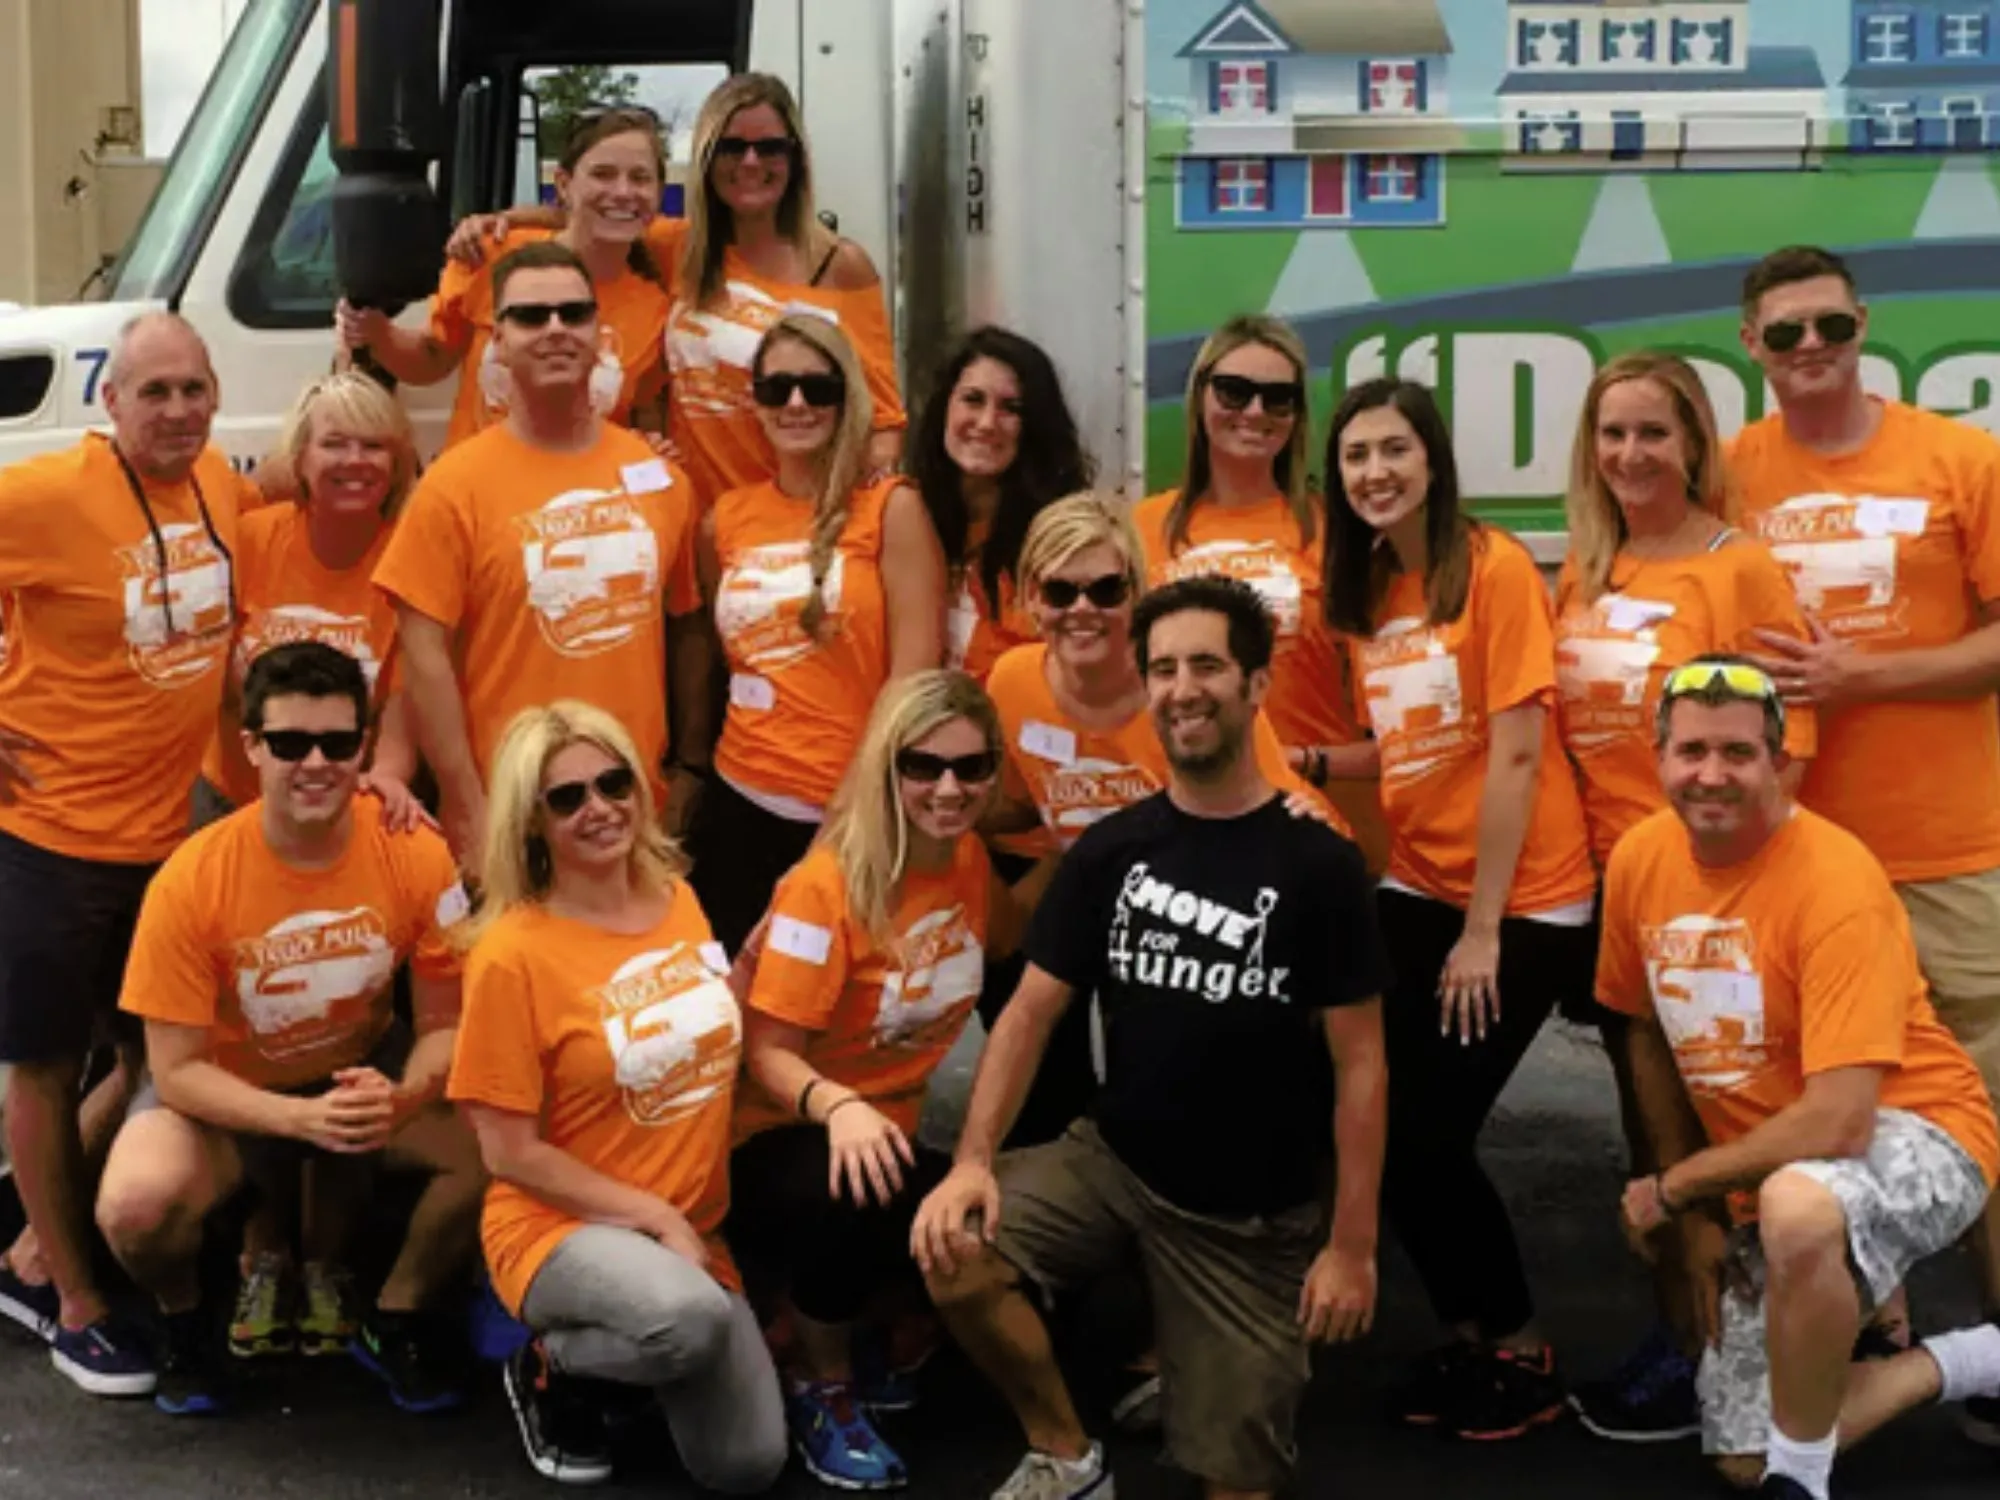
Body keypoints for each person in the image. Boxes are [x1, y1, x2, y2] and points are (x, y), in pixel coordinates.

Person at [913, 575, 1389, 1500]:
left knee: (1237, 1483)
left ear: (1256, 686)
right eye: (1163, 668)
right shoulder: (1112, 850)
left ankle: (1197, 1362)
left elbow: (1362, 1064)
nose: (1183, 688)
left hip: (1250, 1223)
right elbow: (1028, 1013)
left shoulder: (1316, 863)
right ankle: (1064, 1451)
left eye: (1208, 664)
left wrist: (1354, 1248)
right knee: (953, 1249)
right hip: (1115, 1165)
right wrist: (972, 1160)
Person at [1600, 654, 2000, 1500]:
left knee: (1800, 1204)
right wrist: (1702, 1213)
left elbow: (1841, 1124)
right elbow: (1644, 1029)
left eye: (1739, 754)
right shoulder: (1639, 860)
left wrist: (1672, 1189)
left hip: (1926, 1132)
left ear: (1779, 762)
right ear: (1659, 756)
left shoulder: (1836, 878)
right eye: (1692, 751)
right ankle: (1972, 1360)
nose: (1712, 775)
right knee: (1738, 1456)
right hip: (1772, 1170)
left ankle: (1802, 1484)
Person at [1731, 245, 2000, 1440]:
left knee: (1986, 1111)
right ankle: (1852, 1342)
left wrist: (1861, 673)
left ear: (1860, 326)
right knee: (1809, 1108)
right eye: (1781, 333)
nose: (1807, 349)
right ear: (1749, 346)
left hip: (1950, 848)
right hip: (1792, 857)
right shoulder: (1730, 470)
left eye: (1826, 325)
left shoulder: (1960, 458)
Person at [92, 642, 482, 1415]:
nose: (316, 762)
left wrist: (401, 1098)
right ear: (251, 748)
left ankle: (394, 1314)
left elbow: (446, 1021)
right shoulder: (191, 879)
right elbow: (175, 1072)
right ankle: (186, 1321)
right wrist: (298, 1120)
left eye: (338, 743)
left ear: (365, 746)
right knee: (134, 1206)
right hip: (228, 1095)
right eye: (289, 743)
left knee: (502, 1145)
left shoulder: (417, 852)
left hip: (356, 1072)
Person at [1324, 378, 1597, 1440]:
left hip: (1520, 901)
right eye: (1354, 457)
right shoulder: (1375, 596)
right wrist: (1297, 754)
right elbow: (1402, 750)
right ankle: (1469, 1331)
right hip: (1422, 884)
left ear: (1431, 459)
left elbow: (1517, 752)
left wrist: (1482, 928)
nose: (1375, 472)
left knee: (1426, 1132)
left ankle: (1519, 1343)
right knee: (1365, 1108)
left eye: (1393, 449)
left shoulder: (1486, 572)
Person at [1554, 351, 1818, 1442]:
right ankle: (1686, 1343)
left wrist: (1738, 891)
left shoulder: (1736, 567)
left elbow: (1790, 744)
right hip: (1617, 892)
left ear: (1691, 443)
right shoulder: (1588, 568)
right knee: (1653, 1139)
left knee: (1738, 1136)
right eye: (1610, 434)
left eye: (1651, 433)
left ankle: (1766, 1354)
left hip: (1712, 894)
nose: (1629, 455)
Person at [0, 312, 254, 1395]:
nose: (178, 411)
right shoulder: (50, 495)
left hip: (168, 843)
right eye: (153, 392)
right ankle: (75, 1302)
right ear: (110, 404)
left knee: (151, 1059)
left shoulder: (221, 489)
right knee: (45, 1069)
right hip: (48, 841)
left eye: (194, 389)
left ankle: (24, 1248)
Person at [447, 700, 787, 1494]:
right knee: (690, 1323)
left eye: (613, 783)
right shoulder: (509, 956)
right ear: (529, 822)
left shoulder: (676, 896)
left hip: (684, 1228)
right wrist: (656, 1217)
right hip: (561, 1225)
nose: (598, 808)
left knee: (746, 1466)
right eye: (565, 798)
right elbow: (506, 1151)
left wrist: (749, 972)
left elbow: (692, 1026)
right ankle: (551, 1364)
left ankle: (637, 1357)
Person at [731, 669, 1025, 1490]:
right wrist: (841, 1108)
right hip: (774, 1134)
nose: (947, 787)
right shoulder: (827, 885)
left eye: (971, 768)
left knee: (1003, 1221)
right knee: (856, 1188)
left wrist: (1099, 846)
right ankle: (820, 1383)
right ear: (885, 767)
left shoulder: (965, 860)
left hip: (888, 1133)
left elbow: (1016, 941)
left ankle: (830, 1319)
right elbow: (765, 1048)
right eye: (922, 765)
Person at [373, 239, 709, 867]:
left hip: (630, 805)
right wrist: (464, 797)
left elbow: (688, 626)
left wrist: (688, 767)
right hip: (513, 813)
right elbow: (423, 653)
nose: (555, 329)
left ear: (598, 334)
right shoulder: (453, 485)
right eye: (530, 316)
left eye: (573, 313)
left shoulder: (659, 476)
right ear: (496, 341)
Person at [449, 74, 907, 498]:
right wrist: (501, 220)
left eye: (770, 147)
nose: (751, 162)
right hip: (694, 516)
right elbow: (595, 213)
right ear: (707, 157)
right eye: (731, 147)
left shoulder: (838, 265)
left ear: (795, 159)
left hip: (792, 515)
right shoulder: (681, 248)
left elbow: (885, 421)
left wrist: (844, 508)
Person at [687, 311, 944, 956]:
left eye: (817, 387)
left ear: (847, 396)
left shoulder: (893, 508)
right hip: (738, 800)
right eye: (777, 389)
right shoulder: (726, 519)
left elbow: (914, 678)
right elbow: (727, 663)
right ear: (757, 402)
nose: (796, 403)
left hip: (849, 812)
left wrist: (854, 806)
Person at [1134, 314, 1385, 871]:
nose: (1254, 413)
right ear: (1200, 398)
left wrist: (1302, 763)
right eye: (1234, 391)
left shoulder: (1338, 532)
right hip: (1188, 814)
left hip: (1314, 818)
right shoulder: (1143, 528)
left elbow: (1392, 720)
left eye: (1278, 399)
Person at [342, 108, 674, 450]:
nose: (622, 192)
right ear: (564, 184)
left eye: (640, 178)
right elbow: (433, 359)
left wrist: (649, 449)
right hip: (478, 493)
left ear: (658, 192)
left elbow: (645, 420)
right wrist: (378, 334)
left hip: (577, 497)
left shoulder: (655, 310)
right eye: (602, 174)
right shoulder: (492, 254)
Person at [199, 371, 422, 826]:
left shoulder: (411, 560)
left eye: (374, 446)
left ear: (397, 462)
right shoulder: (248, 540)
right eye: (335, 444)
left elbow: (404, 707)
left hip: (342, 802)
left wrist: (386, 779)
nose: (355, 460)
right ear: (299, 459)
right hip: (230, 798)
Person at [908, 327, 1093, 684]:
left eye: (1011, 408)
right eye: (973, 399)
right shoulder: (901, 515)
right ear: (944, 404)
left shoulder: (1062, 542)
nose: (987, 423)